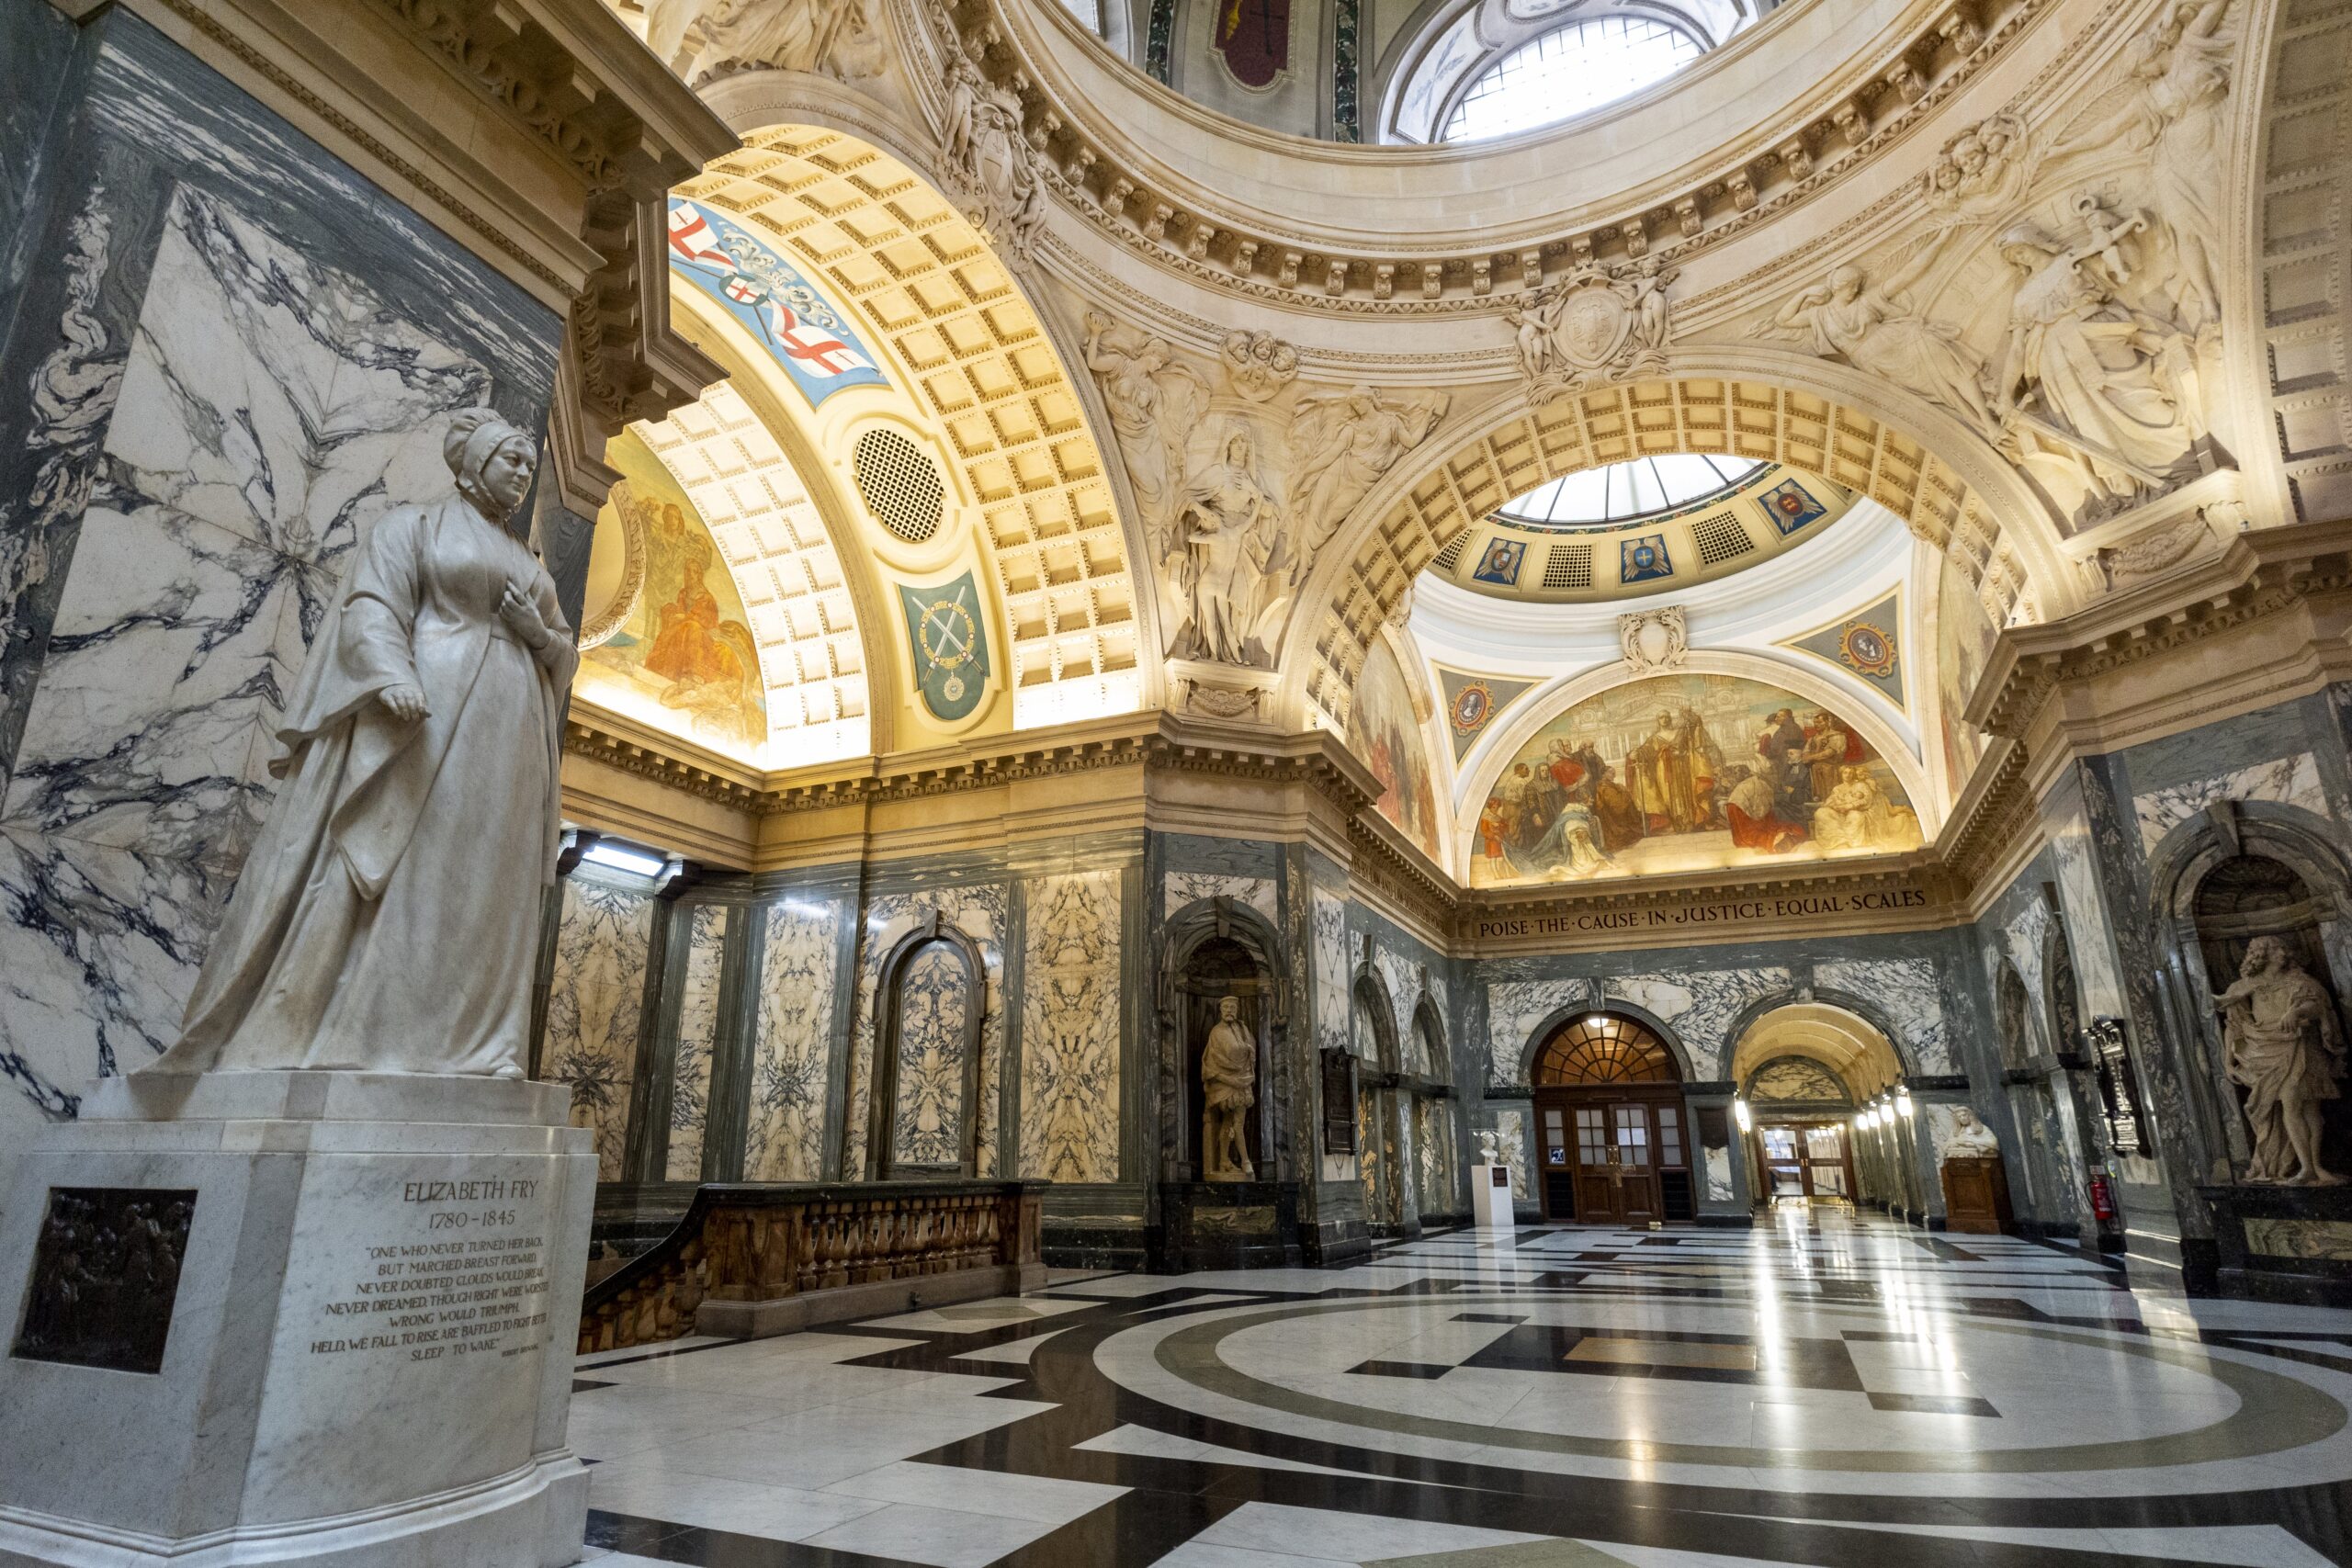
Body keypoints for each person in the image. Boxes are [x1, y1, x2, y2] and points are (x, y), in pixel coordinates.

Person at [146, 410, 575, 1077]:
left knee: (485, 880)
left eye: (528, 462)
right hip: (429, 715)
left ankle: (473, 1042)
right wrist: (391, 673)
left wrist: (537, 633)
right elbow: (373, 604)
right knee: (416, 864)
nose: (523, 471)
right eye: (509, 458)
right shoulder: (415, 526)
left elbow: (564, 653)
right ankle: (368, 1034)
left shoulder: (529, 562)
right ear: (472, 464)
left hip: (510, 736)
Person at [2215, 936, 2346, 1185]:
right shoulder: (2245, 986)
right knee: (2292, 1102)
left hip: (2302, 1047)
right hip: (2266, 1051)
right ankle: (2307, 1167)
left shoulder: (2299, 980)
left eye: (2284, 948)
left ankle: (2315, 1167)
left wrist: (2296, 1011)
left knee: (2310, 1108)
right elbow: (2234, 1027)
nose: (2283, 953)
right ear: (2260, 954)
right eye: (2276, 949)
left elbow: (2318, 1004)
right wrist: (2227, 1061)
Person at [1201, 997, 1258, 1179]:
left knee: (1231, 1122)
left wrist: (1247, 1047)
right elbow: (1230, 1052)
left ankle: (1224, 1161)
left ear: (1238, 1009)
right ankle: (1245, 1162)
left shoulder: (1243, 1029)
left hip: (1243, 1080)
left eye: (1233, 1007)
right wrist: (1246, 1047)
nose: (1229, 1010)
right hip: (1225, 1083)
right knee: (1236, 1122)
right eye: (1226, 1007)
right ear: (1220, 1010)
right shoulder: (1217, 1031)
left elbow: (1251, 1047)